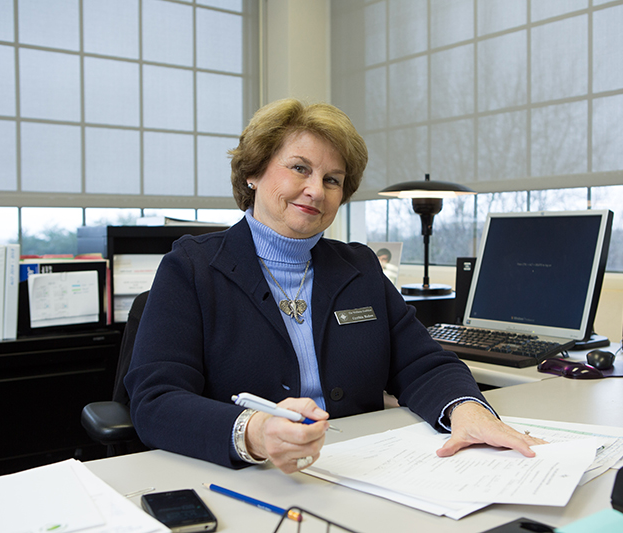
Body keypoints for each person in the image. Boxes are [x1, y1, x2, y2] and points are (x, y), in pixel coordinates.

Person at [124, 98, 544, 474]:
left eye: (332, 179)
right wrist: (254, 432)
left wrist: (466, 410)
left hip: (365, 469)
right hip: (253, 476)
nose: (315, 191)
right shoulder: (191, 268)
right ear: (253, 171)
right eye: (300, 168)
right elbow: (155, 401)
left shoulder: (358, 266)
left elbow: (424, 364)